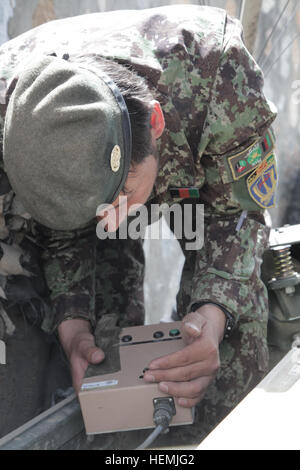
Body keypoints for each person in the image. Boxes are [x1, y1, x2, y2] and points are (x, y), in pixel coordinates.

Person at [0, 4, 277, 447]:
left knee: (233, 328)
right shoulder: (18, 122)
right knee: (100, 347)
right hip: (76, 195)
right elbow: (60, 229)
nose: (115, 219)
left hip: (196, 166)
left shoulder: (220, 75)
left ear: (156, 121)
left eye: (123, 197)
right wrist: (72, 322)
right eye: (100, 211)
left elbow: (238, 215)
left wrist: (214, 313)